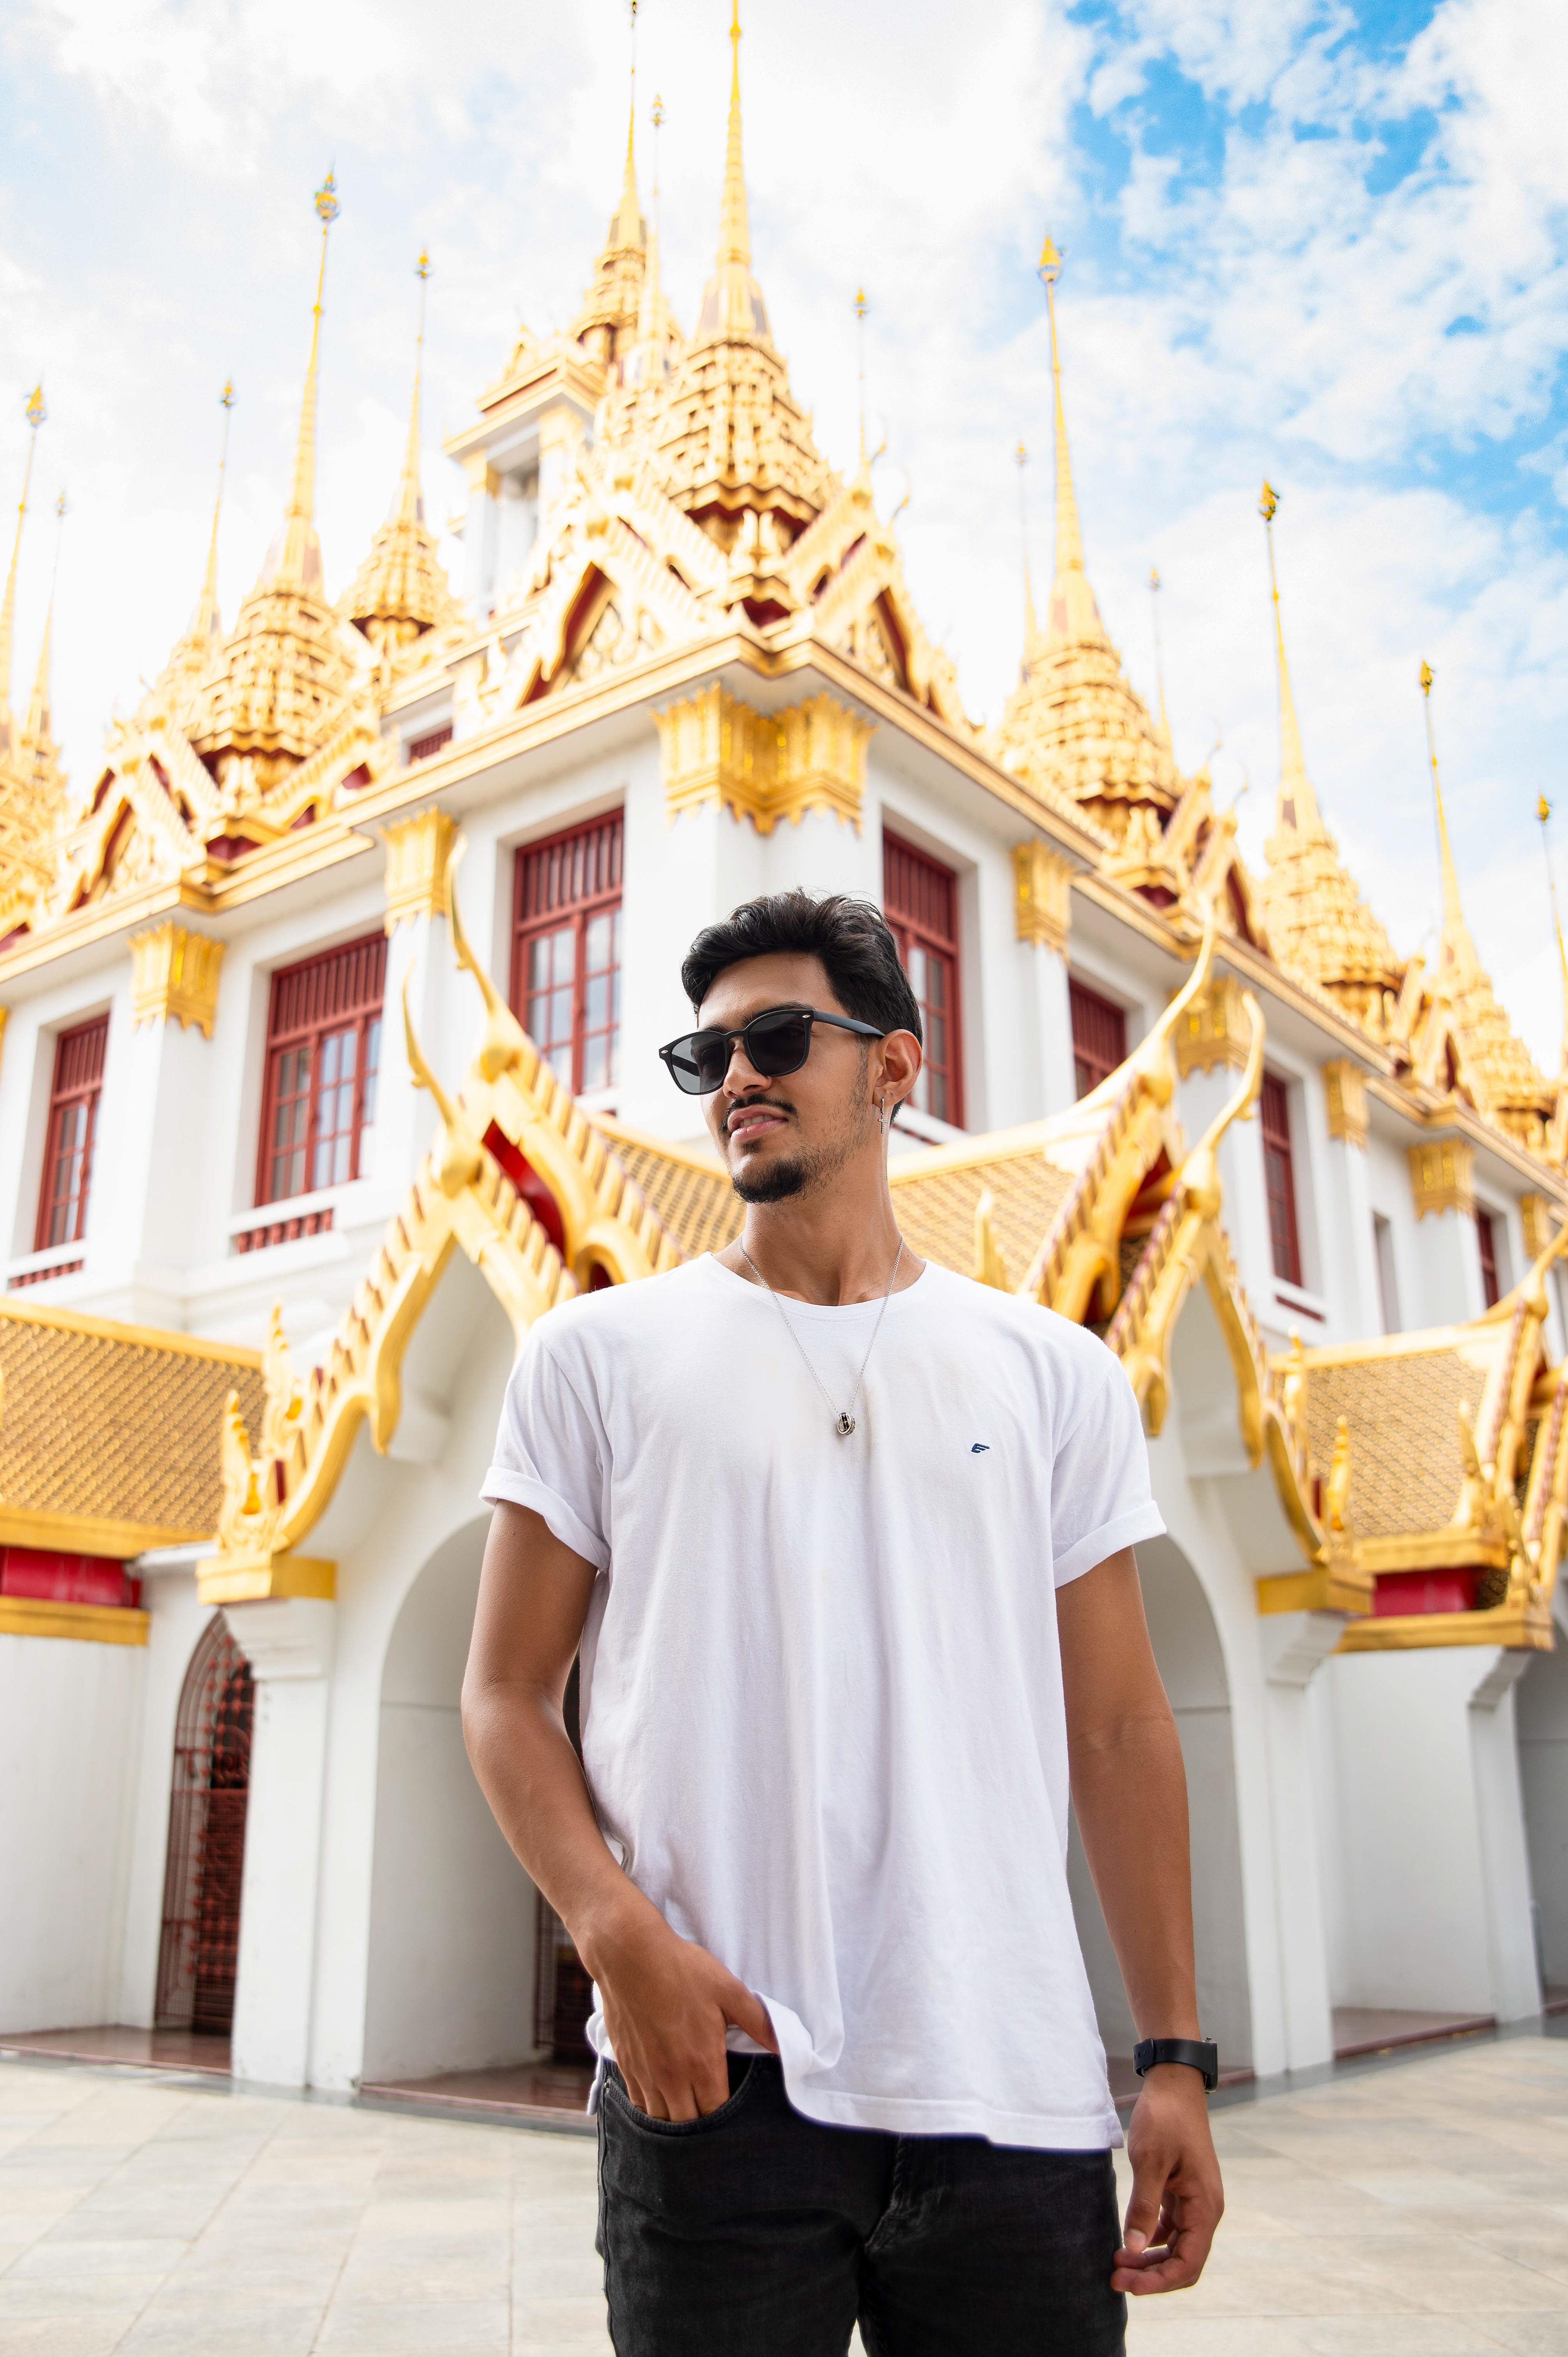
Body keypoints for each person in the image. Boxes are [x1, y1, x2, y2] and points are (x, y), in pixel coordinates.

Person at [465, 889, 1224, 2356]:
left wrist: (1175, 2056)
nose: (737, 1075)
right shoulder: (597, 1359)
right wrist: (613, 1932)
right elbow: (504, 1691)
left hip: (1010, 2093)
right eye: (708, 1057)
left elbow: (1123, 1725)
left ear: (895, 1063)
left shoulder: (1052, 1373)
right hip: (719, 2078)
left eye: (777, 1036)